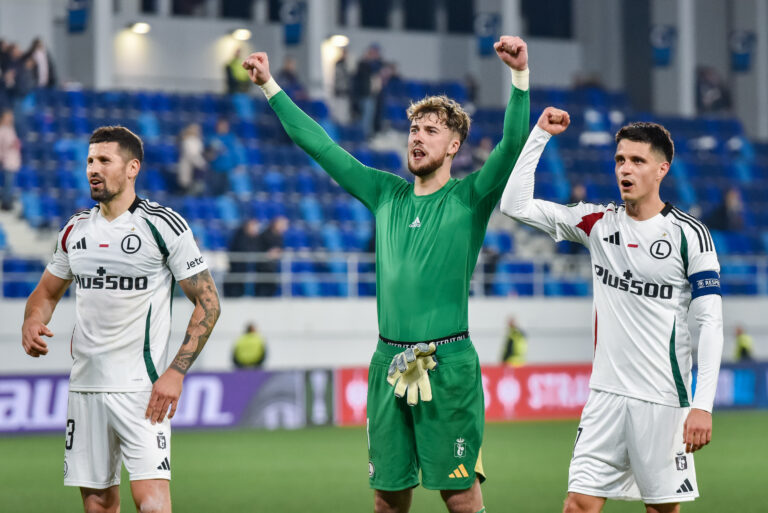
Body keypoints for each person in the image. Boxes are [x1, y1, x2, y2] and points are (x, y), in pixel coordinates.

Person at [243, 35, 530, 513]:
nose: (417, 136)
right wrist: (271, 86)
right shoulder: (384, 193)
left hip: (448, 364)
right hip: (388, 364)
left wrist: (520, 76)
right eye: (414, 128)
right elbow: (319, 145)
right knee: (387, 499)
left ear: (454, 145)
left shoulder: (468, 198)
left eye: (431, 130)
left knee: (460, 497)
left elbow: (513, 143)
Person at [500, 108, 723, 512]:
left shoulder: (690, 235)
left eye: (638, 160)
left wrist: (702, 405)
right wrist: (540, 135)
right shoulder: (598, 222)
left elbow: (709, 323)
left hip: (663, 400)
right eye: (620, 159)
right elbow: (514, 206)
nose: (626, 168)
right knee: (577, 505)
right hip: (605, 397)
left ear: (661, 169)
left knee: (661, 509)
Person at [21, 126, 221, 513]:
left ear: (132, 168)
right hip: (86, 387)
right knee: (98, 504)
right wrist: (32, 321)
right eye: (89, 161)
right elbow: (45, 294)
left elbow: (208, 304)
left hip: (142, 391)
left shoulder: (163, 225)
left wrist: (176, 373)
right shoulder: (74, 230)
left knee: (152, 504)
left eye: (104, 161)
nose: (93, 169)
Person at [225, 218, 262, 297]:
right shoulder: (239, 237)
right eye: (254, 226)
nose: (256, 229)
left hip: (246, 269)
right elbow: (242, 249)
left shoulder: (256, 238)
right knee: (236, 287)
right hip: (237, 268)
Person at [255, 216, 288, 297]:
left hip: (273, 267)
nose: (284, 227)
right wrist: (268, 254)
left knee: (271, 288)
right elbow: (258, 249)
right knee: (263, 289)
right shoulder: (265, 235)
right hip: (263, 267)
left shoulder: (279, 236)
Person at [177, 123, 207, 195]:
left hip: (196, 170)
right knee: (189, 191)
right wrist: (202, 164)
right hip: (190, 169)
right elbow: (192, 156)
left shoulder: (197, 141)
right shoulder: (188, 141)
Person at [0, 109, 21, 210]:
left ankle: (8, 201)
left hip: (13, 160)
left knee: (10, 183)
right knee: (7, 183)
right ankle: (6, 203)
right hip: (7, 161)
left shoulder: (10, 129)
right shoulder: (2, 129)